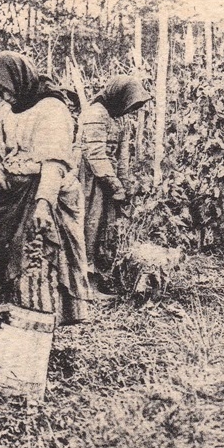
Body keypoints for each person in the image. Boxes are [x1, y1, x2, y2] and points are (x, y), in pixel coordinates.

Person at [0, 51, 93, 325]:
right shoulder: (5, 109)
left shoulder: (51, 109)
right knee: (7, 258)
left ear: (21, 80)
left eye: (7, 91)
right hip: (11, 196)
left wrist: (44, 203)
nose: (5, 98)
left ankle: (38, 323)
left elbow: (54, 162)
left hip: (43, 191)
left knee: (38, 258)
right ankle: (9, 319)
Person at [78, 74, 151, 295]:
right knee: (88, 225)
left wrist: (124, 186)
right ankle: (84, 282)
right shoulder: (95, 114)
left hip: (106, 180)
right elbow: (95, 154)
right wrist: (114, 185)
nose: (130, 111)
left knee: (104, 228)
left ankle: (100, 276)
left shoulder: (119, 119)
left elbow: (122, 157)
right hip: (88, 178)